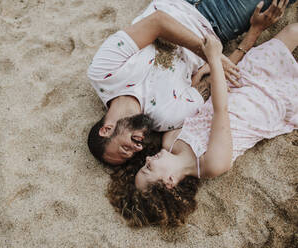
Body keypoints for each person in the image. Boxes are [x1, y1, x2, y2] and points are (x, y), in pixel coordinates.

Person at [107, 22, 298, 227]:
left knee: (293, 31)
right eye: (148, 169)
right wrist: (214, 57)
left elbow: (201, 103)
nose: (147, 159)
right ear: (169, 182)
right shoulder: (212, 164)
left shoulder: (170, 140)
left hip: (240, 79)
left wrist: (200, 78)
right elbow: (220, 110)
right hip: (270, 101)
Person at [87, 0, 293, 166]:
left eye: (125, 149)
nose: (137, 149)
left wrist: (212, 54)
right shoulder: (166, 117)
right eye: (132, 154)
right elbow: (214, 81)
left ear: (106, 129)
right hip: (217, 21)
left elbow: (157, 22)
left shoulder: (104, 75)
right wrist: (255, 31)